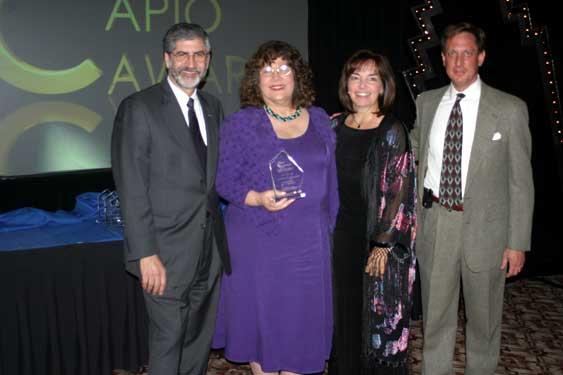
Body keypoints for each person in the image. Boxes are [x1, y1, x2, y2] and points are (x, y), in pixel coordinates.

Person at [410, 22, 534, 375]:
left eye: (467, 53)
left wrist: (517, 242)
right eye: (452, 53)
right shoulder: (427, 102)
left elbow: (521, 183)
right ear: (444, 57)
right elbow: (413, 151)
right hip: (437, 223)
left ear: (480, 57)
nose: (459, 61)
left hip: (488, 232)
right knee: (435, 319)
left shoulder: (510, 109)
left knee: (484, 321)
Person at [211, 40, 339, 375]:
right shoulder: (242, 123)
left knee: (302, 327)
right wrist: (257, 198)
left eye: (284, 67)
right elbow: (223, 180)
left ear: (298, 75)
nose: (276, 76)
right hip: (258, 242)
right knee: (264, 325)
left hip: (310, 242)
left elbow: (332, 183)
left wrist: (331, 228)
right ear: (256, 79)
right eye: (266, 69)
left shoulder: (321, 119)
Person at [111, 23, 230, 375]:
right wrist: (145, 253)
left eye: (199, 54)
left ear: (208, 59)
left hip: (209, 250)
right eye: (182, 54)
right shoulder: (139, 107)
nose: (191, 63)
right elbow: (130, 186)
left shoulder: (212, 106)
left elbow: (213, 178)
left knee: (197, 339)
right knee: (168, 340)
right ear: (166, 59)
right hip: (163, 252)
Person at [329, 50, 417, 375]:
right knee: (344, 316)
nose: (362, 85)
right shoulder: (335, 124)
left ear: (383, 86)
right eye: (355, 77)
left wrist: (382, 242)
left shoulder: (392, 129)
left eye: (371, 78)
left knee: (374, 322)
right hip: (338, 237)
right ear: (346, 84)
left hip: (373, 243)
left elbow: (399, 190)